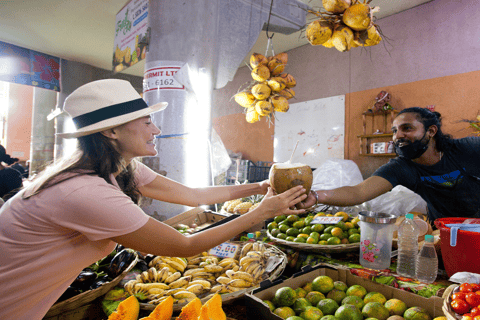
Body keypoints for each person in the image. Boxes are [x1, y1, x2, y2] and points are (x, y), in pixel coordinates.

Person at [0, 79, 308, 319]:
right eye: (147, 122)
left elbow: (192, 195)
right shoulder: (84, 192)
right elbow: (183, 246)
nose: (156, 129)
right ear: (111, 131)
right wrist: (260, 214)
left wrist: (258, 188)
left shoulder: (120, 168)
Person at [300, 107, 480, 223]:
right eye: (395, 131)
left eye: (407, 128)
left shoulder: (467, 149)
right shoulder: (402, 167)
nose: (397, 136)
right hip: (448, 233)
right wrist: (316, 195)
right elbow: (359, 192)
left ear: (431, 131)